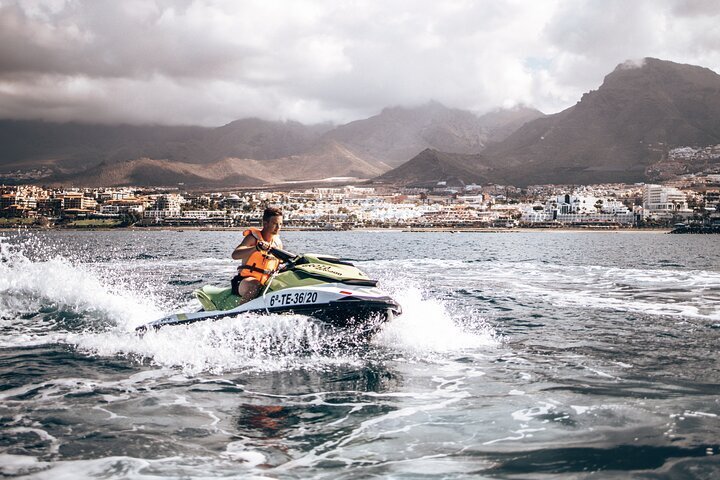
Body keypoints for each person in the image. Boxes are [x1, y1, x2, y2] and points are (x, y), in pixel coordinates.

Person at [231, 206, 284, 302]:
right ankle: (241, 313)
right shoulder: (252, 238)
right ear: (265, 223)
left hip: (267, 282)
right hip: (244, 280)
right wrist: (256, 248)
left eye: (280, 224)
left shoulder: (278, 243)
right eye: (275, 224)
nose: (278, 227)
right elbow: (235, 255)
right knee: (255, 285)